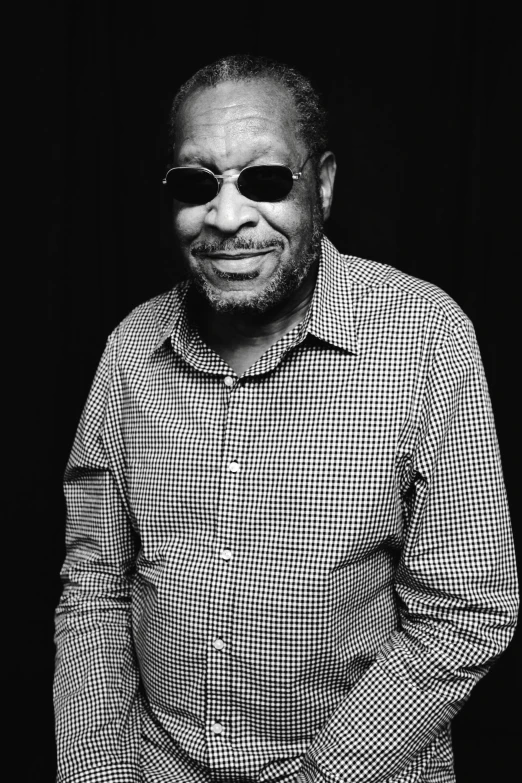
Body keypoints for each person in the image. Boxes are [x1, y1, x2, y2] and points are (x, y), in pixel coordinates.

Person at [54, 55, 518, 783]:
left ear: (323, 184)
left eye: (266, 181)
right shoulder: (128, 351)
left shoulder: (428, 338)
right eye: (196, 184)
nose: (228, 217)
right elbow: (95, 586)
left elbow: (465, 612)